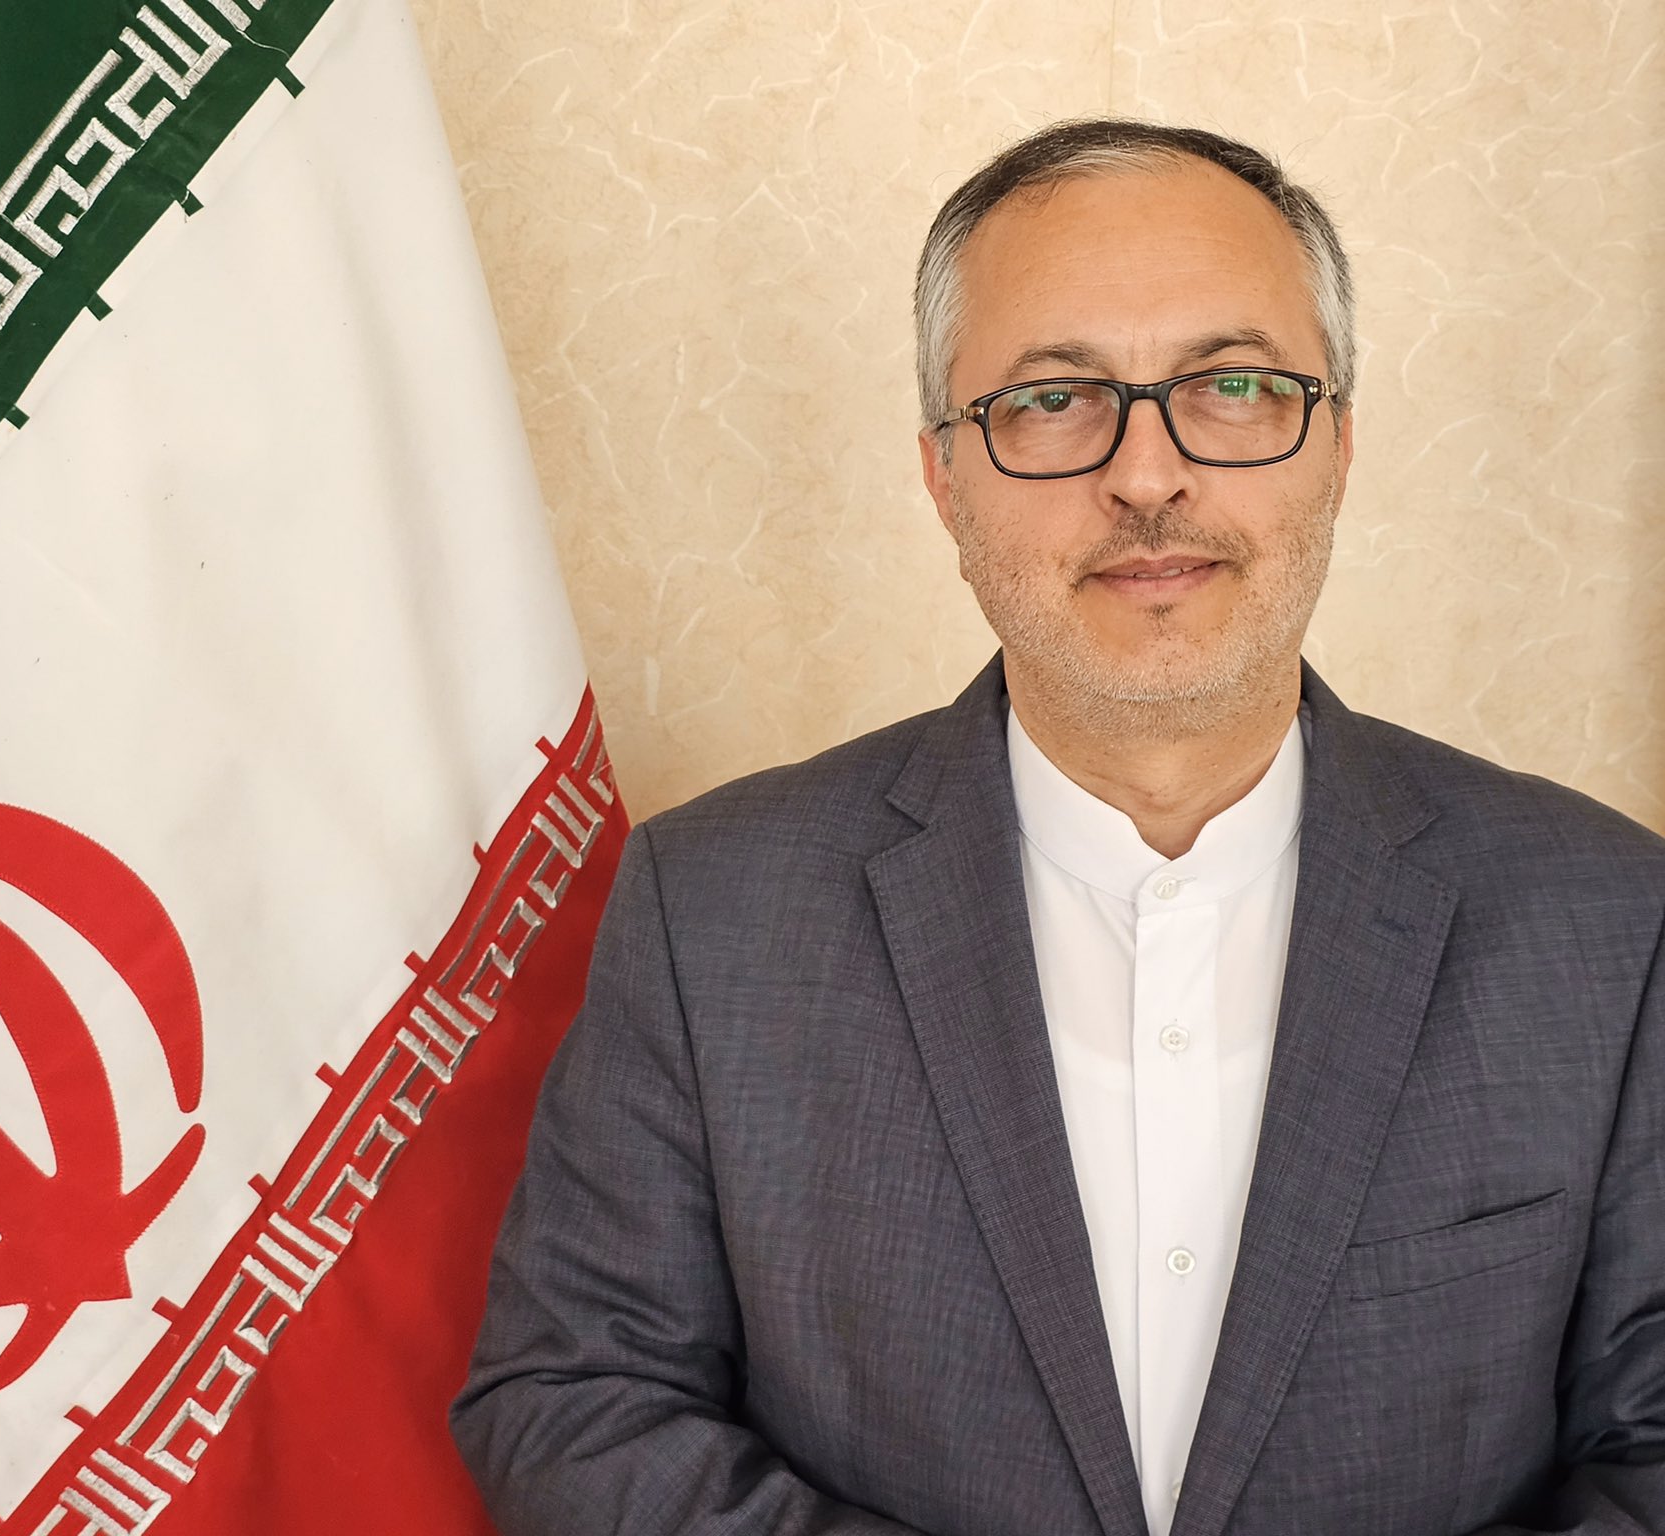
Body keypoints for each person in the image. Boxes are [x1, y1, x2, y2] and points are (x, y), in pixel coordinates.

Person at [449, 118, 1665, 1536]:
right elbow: (572, 1399)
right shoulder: (708, 912)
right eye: (1051, 401)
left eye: (1233, 385)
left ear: (1337, 445)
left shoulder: (1608, 921)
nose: (1146, 476)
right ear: (942, 476)